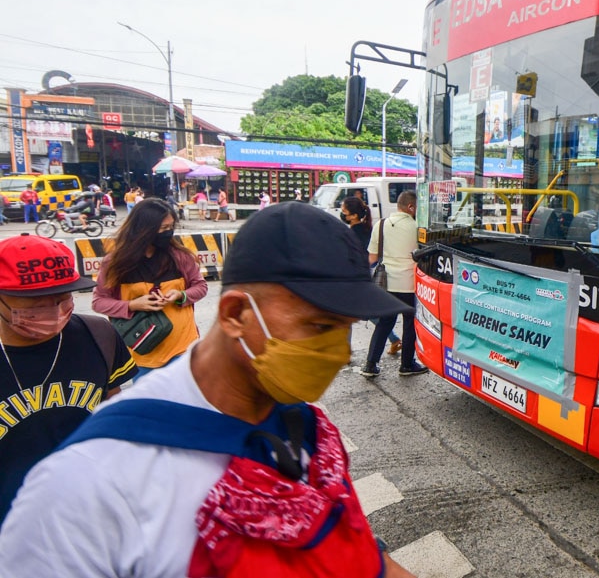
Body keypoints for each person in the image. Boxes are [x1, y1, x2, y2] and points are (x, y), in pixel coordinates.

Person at [0, 203, 416, 578]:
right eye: (320, 326)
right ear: (234, 313)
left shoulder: (308, 431)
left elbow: (356, 556)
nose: (340, 354)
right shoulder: (91, 483)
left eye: (347, 329)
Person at [0, 234, 135, 524]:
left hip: (87, 514)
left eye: (63, 297)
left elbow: (114, 413)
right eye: (34, 301)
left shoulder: (99, 336)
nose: (53, 309)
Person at [92, 198, 208, 376]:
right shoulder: (115, 263)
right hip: (142, 353)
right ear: (144, 230)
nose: (168, 233)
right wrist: (132, 305)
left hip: (183, 348)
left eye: (171, 227)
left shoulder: (180, 257)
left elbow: (200, 286)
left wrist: (180, 295)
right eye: (162, 229)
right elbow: (99, 302)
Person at [362, 190, 427, 377]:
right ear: (410, 207)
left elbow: (372, 257)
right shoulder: (416, 227)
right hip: (408, 284)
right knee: (409, 325)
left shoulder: (380, 225)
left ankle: (370, 365)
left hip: (385, 284)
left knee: (384, 323)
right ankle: (406, 365)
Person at [342, 197, 403, 356]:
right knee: (361, 312)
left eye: (345, 212)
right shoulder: (366, 228)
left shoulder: (354, 233)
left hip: (357, 277)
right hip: (363, 275)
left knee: (351, 312)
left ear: (354, 215)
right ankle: (394, 339)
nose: (343, 215)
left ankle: (346, 351)